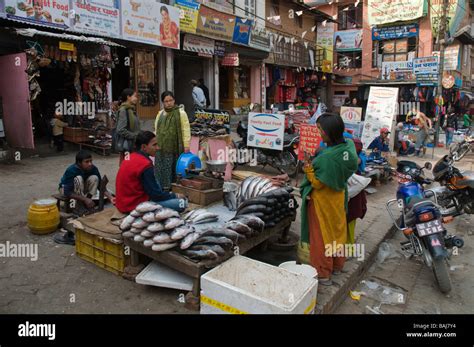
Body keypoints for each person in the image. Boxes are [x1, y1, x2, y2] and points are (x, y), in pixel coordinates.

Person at [300, 113, 359, 286]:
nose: (318, 133)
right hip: (338, 197)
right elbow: (346, 163)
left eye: (319, 129)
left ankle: (323, 272)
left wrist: (308, 168)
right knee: (337, 231)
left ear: (328, 132)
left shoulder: (326, 159)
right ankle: (337, 265)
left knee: (320, 236)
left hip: (322, 201)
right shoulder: (348, 147)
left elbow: (317, 183)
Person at [115, 131, 188, 213]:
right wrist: (175, 195)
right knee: (182, 204)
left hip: (122, 203)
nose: (158, 148)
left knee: (156, 181)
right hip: (133, 206)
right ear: (144, 147)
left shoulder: (130, 156)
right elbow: (156, 196)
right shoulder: (145, 165)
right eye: (154, 145)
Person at [55, 150, 115, 245]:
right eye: (86, 162)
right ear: (79, 163)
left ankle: (86, 204)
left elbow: (100, 186)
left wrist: (111, 197)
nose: (90, 164)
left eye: (91, 161)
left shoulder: (93, 168)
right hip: (66, 189)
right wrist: (84, 199)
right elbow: (67, 192)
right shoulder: (72, 170)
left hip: (82, 188)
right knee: (78, 179)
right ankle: (80, 207)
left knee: (94, 178)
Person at [154, 91, 191, 191]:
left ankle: (172, 188)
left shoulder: (181, 113)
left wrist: (186, 145)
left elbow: (185, 129)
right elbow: (156, 130)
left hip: (174, 147)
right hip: (161, 147)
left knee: (172, 167)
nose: (169, 103)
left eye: (170, 100)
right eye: (166, 101)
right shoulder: (160, 114)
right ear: (163, 102)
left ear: (174, 100)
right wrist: (155, 143)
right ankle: (160, 187)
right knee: (160, 168)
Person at [346, 138, 368, 256]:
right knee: (349, 225)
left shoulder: (356, 159)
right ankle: (347, 249)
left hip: (351, 196)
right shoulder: (358, 157)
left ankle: (347, 251)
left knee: (348, 224)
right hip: (353, 195)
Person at [115, 89, 141, 165]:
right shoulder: (123, 110)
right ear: (128, 97)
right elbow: (120, 129)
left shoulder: (131, 109)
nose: (136, 98)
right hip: (127, 146)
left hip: (133, 145)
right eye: (135, 96)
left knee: (132, 165)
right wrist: (134, 136)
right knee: (127, 164)